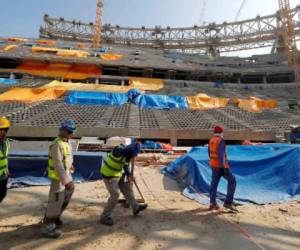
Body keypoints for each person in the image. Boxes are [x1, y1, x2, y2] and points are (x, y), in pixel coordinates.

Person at [41, 120, 76, 238]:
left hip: (66, 175)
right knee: (55, 202)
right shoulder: (57, 144)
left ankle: (56, 217)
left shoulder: (67, 142)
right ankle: (47, 227)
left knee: (66, 196)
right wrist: (66, 181)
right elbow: (58, 165)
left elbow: (68, 158)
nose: (72, 134)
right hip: (58, 179)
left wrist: (71, 165)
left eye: (73, 132)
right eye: (70, 132)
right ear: (63, 131)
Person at [100, 141, 148, 226]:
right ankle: (104, 217)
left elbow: (125, 165)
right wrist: (131, 154)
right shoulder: (119, 151)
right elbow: (123, 154)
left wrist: (129, 175)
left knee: (127, 188)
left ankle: (135, 207)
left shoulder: (127, 155)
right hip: (108, 176)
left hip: (117, 173)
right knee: (115, 195)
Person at [208, 126, 237, 212]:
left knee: (214, 184)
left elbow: (209, 153)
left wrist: (214, 163)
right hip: (221, 166)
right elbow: (221, 154)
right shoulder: (220, 140)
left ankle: (212, 203)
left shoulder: (211, 140)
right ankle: (228, 202)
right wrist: (223, 166)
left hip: (213, 165)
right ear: (221, 133)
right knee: (232, 181)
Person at [0, 117, 11, 204]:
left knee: (3, 194)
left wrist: (7, 170)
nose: (2, 132)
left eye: (4, 130)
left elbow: (5, 157)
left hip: (3, 176)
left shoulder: (6, 142)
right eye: (0, 130)